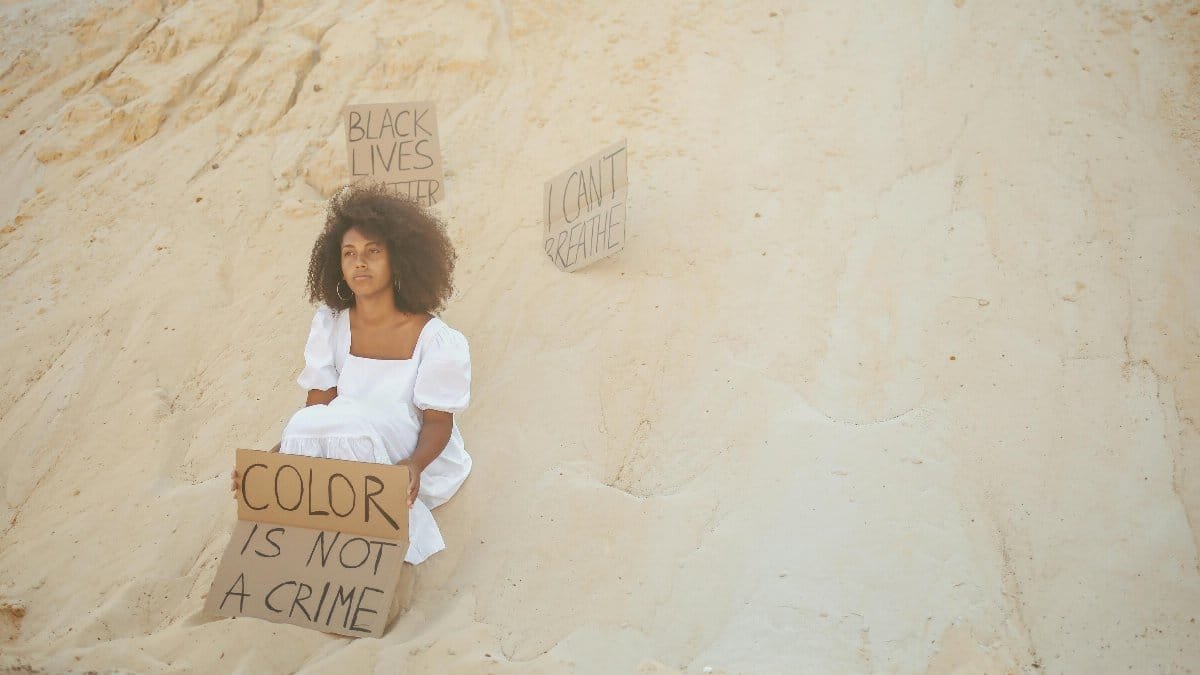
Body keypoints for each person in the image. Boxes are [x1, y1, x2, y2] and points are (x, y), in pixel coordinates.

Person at [232, 183, 472, 565]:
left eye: (373, 252)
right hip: (346, 432)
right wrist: (275, 462)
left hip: (406, 445)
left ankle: (382, 558)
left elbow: (438, 422)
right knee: (309, 422)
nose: (360, 262)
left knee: (353, 421)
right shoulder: (330, 324)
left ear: (400, 259)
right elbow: (317, 408)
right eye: (349, 253)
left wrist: (414, 465)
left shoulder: (438, 339)